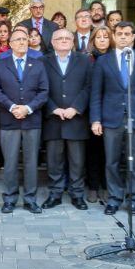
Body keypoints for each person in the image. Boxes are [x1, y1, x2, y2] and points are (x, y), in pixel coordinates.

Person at [90, 21, 135, 216]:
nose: (123, 37)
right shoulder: (104, 60)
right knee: (111, 162)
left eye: (127, 34)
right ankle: (114, 198)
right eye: (119, 33)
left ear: (133, 37)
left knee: (134, 163)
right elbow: (96, 93)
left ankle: (134, 199)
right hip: (110, 118)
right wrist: (95, 119)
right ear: (114, 35)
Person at [0, 28, 49, 214]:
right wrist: (12, 107)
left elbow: (44, 92)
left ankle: (30, 199)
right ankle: (9, 198)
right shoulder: (1, 64)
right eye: (18, 39)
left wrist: (28, 108)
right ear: (11, 43)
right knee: (11, 162)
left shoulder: (38, 64)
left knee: (31, 162)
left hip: (32, 120)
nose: (22, 42)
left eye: (25, 39)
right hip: (9, 120)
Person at [42, 28, 91, 210]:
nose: (63, 40)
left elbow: (89, 87)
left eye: (67, 38)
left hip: (76, 119)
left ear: (73, 42)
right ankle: (55, 194)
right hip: (53, 119)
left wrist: (76, 108)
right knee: (54, 161)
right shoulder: (43, 61)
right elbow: (40, 88)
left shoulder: (85, 61)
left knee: (77, 161)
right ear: (52, 42)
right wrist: (53, 108)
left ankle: (77, 195)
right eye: (59, 38)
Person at [85, 26, 112, 203]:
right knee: (93, 151)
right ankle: (93, 186)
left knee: (108, 152)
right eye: (98, 37)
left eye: (105, 36)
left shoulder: (115, 58)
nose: (102, 40)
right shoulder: (87, 59)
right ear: (93, 40)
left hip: (111, 110)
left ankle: (106, 185)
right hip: (91, 109)